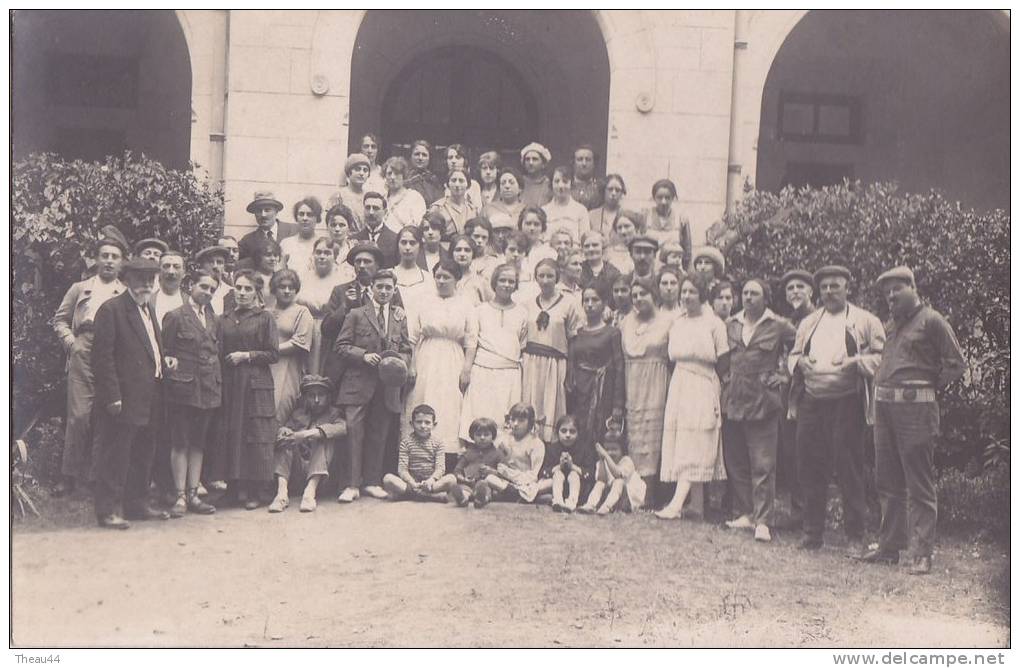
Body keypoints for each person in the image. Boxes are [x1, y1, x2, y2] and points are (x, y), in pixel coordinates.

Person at [861, 266, 965, 575]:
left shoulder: (932, 321)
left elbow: (956, 365)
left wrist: (927, 388)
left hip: (915, 411)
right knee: (887, 481)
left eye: (897, 289)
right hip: (885, 409)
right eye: (887, 292)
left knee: (918, 482)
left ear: (913, 288)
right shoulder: (892, 325)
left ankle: (922, 554)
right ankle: (890, 547)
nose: (891, 296)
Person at [789, 265, 885, 556]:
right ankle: (812, 532)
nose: (830, 292)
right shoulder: (809, 322)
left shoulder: (865, 321)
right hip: (812, 401)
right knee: (809, 466)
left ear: (847, 288)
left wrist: (856, 362)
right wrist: (800, 364)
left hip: (847, 401)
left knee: (849, 468)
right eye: (825, 287)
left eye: (836, 286)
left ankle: (855, 536)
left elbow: (882, 357)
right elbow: (793, 355)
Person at [90, 258, 169, 528]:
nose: (146, 283)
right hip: (123, 397)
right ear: (126, 280)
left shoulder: (148, 309)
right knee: (116, 453)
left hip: (151, 393)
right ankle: (108, 510)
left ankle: (136, 505)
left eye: (151, 278)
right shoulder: (112, 310)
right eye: (140, 278)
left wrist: (163, 365)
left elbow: (150, 350)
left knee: (143, 452)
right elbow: (102, 359)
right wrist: (112, 396)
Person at [721, 278, 797, 542]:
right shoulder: (731, 324)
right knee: (736, 460)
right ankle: (746, 513)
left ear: (765, 297)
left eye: (754, 294)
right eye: (745, 293)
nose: (748, 298)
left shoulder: (777, 325)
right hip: (734, 399)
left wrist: (785, 374)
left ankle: (763, 520)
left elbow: (801, 345)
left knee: (763, 463)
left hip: (763, 401)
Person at [51, 236, 126, 496]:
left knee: (105, 416)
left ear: (121, 263)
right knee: (79, 416)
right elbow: (59, 320)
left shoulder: (124, 292)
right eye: (104, 255)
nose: (108, 261)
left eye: (114, 257)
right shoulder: (80, 288)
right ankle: (69, 475)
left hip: (111, 355)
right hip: (83, 350)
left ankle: (96, 477)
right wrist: (72, 343)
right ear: (95, 259)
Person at [334, 269, 412, 503]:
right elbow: (341, 346)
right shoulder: (356, 314)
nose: (384, 291)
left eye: (389, 287)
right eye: (380, 287)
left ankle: (371, 481)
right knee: (353, 433)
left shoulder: (399, 316)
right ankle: (351, 484)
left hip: (386, 385)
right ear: (371, 289)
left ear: (394, 290)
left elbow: (407, 349)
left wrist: (399, 363)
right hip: (358, 382)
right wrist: (363, 356)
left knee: (379, 434)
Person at [656, 274, 729, 520]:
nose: (686, 296)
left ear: (702, 295)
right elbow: (670, 357)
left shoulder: (714, 324)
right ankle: (696, 505)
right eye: (684, 292)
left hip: (702, 384)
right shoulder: (677, 322)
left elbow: (724, 362)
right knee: (683, 439)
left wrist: (714, 390)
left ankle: (676, 504)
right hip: (680, 382)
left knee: (696, 439)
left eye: (692, 292)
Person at [404, 258, 479, 468]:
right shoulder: (423, 301)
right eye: (438, 276)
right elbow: (412, 336)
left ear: (457, 279)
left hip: (453, 357)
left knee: (449, 405)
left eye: (447, 277)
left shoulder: (466, 304)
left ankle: (446, 461)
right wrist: (411, 364)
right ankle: (419, 458)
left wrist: (467, 368)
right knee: (424, 398)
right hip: (427, 355)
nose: (441, 280)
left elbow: (471, 340)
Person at [161, 269, 222, 517]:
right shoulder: (175, 316)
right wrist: (169, 361)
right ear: (190, 286)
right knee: (180, 443)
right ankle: (179, 497)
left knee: (198, 443)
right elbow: (164, 352)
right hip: (182, 390)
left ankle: (194, 493)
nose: (207, 293)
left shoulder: (213, 318)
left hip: (207, 390)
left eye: (212, 290)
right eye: (203, 287)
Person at [217, 270, 279, 509]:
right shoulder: (225, 318)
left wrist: (247, 355)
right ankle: (233, 489)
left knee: (255, 433)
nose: (242, 293)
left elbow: (273, 354)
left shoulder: (264, 318)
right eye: (238, 288)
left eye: (247, 289)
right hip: (231, 383)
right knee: (232, 432)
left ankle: (255, 490)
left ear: (256, 293)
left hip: (255, 383)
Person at [457, 264, 529, 443]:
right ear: (494, 283)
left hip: (509, 374)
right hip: (483, 371)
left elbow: (521, 345)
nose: (506, 285)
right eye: (502, 280)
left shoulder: (522, 312)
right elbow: (471, 343)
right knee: (480, 416)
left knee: (505, 422)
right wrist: (466, 370)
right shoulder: (480, 310)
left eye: (511, 281)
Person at [319, 242, 404, 381]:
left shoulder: (389, 291)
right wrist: (345, 307)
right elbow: (326, 330)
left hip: (380, 368)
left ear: (377, 265)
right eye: (358, 262)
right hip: (347, 368)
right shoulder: (341, 291)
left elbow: (398, 326)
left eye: (367, 261)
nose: (362, 266)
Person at [619, 277, 672, 497]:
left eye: (643, 294)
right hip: (632, 381)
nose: (639, 299)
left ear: (655, 295)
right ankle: (636, 492)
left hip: (657, 381)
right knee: (635, 434)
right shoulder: (626, 321)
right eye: (635, 295)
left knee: (655, 434)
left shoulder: (668, 321)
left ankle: (654, 492)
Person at [521, 258, 582, 441]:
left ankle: (551, 448)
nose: (545, 280)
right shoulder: (528, 304)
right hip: (532, 362)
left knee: (552, 406)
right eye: (541, 276)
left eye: (550, 276)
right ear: (536, 278)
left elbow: (574, 339)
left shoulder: (569, 303)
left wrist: (571, 368)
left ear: (557, 278)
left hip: (556, 364)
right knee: (531, 404)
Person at [269, 375, 346, 513]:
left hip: (323, 479)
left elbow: (342, 428)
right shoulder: (298, 414)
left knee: (322, 438)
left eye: (321, 395)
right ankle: (281, 494)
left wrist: (305, 434)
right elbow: (286, 430)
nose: (316, 400)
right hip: (297, 475)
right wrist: (284, 431)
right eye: (311, 396)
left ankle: (309, 494)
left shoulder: (335, 414)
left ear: (328, 397)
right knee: (287, 442)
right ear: (305, 398)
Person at [776, 268, 814, 527]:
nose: (795, 292)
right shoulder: (789, 321)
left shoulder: (816, 319)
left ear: (811, 291)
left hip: (811, 395)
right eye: (790, 288)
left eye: (800, 286)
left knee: (809, 453)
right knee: (791, 453)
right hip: (789, 395)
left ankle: (811, 513)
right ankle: (799, 512)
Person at [566, 287, 625, 449]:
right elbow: (571, 364)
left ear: (604, 303)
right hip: (580, 392)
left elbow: (619, 370)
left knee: (599, 432)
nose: (590, 305)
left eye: (595, 300)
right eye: (586, 300)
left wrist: (617, 405)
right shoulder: (576, 334)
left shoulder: (612, 333)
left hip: (603, 391)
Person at [382, 404, 458, 502]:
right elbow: (402, 469)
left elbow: (440, 468)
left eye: (427, 422)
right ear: (412, 424)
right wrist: (412, 483)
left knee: (451, 479)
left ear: (434, 425)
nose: (423, 426)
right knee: (387, 479)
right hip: (411, 483)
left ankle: (411, 496)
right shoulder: (406, 443)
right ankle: (429, 497)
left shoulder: (438, 443)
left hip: (431, 483)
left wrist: (431, 481)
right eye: (419, 422)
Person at [296, 237, 348, 374]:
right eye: (318, 252)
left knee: (326, 368)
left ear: (335, 255)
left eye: (327, 253)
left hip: (330, 330)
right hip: (306, 328)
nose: (322, 256)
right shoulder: (304, 277)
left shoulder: (342, 278)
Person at [268, 269, 314, 423]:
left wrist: (269, 351)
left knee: (279, 409)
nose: (287, 291)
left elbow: (300, 343)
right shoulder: (266, 312)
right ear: (274, 289)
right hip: (265, 366)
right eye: (282, 287)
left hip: (287, 367)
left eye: (291, 287)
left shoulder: (302, 312)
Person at [579, 423, 646, 514]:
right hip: (613, 495)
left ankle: (606, 507)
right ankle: (590, 505)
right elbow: (601, 479)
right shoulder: (603, 461)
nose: (610, 452)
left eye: (614, 449)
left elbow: (618, 475)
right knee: (600, 483)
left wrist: (606, 456)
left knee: (618, 481)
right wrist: (602, 459)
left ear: (622, 450)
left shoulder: (627, 461)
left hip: (628, 497)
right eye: (607, 449)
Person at [485, 403, 546, 502]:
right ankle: (517, 494)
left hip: (527, 482)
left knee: (548, 483)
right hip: (505, 480)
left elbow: (534, 475)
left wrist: (507, 473)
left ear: (530, 423)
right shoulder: (503, 438)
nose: (516, 424)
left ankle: (515, 494)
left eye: (521, 421)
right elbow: (497, 462)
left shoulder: (536, 443)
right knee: (490, 479)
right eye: (513, 420)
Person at [537, 413, 594, 512]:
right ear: (557, 432)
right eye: (563, 431)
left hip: (579, 490)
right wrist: (558, 467)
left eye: (572, 432)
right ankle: (558, 502)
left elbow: (591, 474)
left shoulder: (584, 450)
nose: (567, 435)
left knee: (573, 474)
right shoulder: (552, 449)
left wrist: (573, 467)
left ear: (578, 433)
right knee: (558, 474)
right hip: (556, 488)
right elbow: (542, 472)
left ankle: (571, 503)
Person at [448, 417, 504, 508]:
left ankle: (481, 499)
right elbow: (457, 470)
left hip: (486, 484)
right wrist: (463, 479)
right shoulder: (468, 452)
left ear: (493, 436)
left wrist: (491, 471)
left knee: (485, 487)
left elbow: (503, 474)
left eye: (486, 435)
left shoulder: (497, 454)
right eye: (478, 434)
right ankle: (462, 499)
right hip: (468, 484)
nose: (482, 438)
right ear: (472, 436)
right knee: (464, 489)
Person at [392, 225, 437, 328]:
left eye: (412, 243)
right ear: (398, 245)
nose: (408, 247)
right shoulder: (388, 276)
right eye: (403, 242)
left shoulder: (428, 279)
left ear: (420, 246)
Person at [238, 191, 298, 264]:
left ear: (276, 211)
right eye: (259, 211)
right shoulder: (247, 241)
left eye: (267, 210)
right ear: (254, 214)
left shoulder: (294, 231)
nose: (263, 215)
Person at [642, 179, 692, 262]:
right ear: (654, 197)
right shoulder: (645, 216)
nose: (663, 202)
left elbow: (687, 250)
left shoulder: (681, 218)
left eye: (667, 197)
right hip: (649, 266)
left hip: (673, 267)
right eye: (659, 197)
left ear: (673, 198)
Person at [542, 165, 590, 242]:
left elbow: (585, 240)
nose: (561, 186)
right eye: (556, 181)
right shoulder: (544, 211)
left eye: (565, 181)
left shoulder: (581, 210)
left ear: (571, 184)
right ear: (551, 184)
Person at [430, 167, 479, 239]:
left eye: (461, 181)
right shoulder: (437, 208)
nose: (457, 184)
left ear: (468, 185)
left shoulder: (473, 210)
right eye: (453, 180)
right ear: (447, 185)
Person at [353, 191, 399, 268]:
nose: (371, 212)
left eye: (375, 208)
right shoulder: (353, 240)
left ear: (385, 212)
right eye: (368, 208)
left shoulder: (396, 240)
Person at [381, 156, 427, 233]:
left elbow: (418, 224)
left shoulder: (414, 197)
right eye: (389, 173)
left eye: (397, 173)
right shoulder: (382, 199)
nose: (392, 177)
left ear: (403, 176)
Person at [517, 205, 558, 292]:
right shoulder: (513, 250)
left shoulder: (549, 253)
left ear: (542, 228)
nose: (532, 228)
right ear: (521, 225)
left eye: (536, 224)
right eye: (528, 224)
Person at [281, 196, 323, 273]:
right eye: (301, 214)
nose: (304, 218)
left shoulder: (323, 244)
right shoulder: (286, 243)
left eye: (309, 214)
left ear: (317, 218)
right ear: (296, 217)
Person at [578, 231, 621, 305]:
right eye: (587, 246)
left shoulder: (613, 272)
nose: (591, 249)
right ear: (582, 249)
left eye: (595, 245)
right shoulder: (578, 269)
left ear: (602, 248)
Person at [448, 234, 490, 306]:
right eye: (458, 250)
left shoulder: (480, 281)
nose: (462, 254)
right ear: (452, 253)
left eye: (467, 250)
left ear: (473, 254)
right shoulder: (444, 278)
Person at [335, 153, 373, 229]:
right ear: (349, 173)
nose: (361, 173)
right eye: (358, 169)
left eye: (365, 170)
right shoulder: (339, 195)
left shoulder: (370, 197)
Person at [483, 167, 525, 233]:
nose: (507, 186)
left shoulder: (526, 209)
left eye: (511, 183)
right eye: (503, 183)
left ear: (520, 188)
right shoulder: (488, 209)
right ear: (499, 189)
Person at [197, 245, 234, 315]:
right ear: (202, 265)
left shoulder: (231, 292)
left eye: (219, 262)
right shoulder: (195, 292)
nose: (215, 266)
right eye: (210, 262)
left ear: (224, 267)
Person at [405, 139, 443, 206]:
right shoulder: (404, 178)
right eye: (417, 154)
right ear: (410, 156)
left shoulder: (434, 180)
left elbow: (439, 202)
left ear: (429, 158)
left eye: (424, 155)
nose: (420, 158)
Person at [464, 216, 502, 285]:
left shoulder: (494, 262)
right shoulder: (461, 259)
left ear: (488, 239)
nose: (480, 240)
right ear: (468, 236)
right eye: (476, 236)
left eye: (484, 237)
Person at [323, 204, 358, 278]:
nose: (337, 229)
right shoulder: (319, 251)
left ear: (349, 227)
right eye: (333, 225)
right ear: (327, 227)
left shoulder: (356, 252)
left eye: (342, 225)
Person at [152, 251, 186, 325]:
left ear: (184, 273)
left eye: (176, 267)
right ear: (159, 271)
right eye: (166, 266)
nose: (171, 272)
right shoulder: (148, 301)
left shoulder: (190, 302)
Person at [588, 174, 626, 239]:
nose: (614, 193)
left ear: (622, 193)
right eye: (610, 189)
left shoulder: (626, 214)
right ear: (604, 190)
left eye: (617, 190)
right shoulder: (591, 215)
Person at [605, 211, 639, 276]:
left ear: (636, 228)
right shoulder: (609, 253)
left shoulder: (644, 251)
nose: (623, 231)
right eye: (619, 228)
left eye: (627, 226)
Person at [571, 144, 604, 211]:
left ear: (594, 163)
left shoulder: (601, 188)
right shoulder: (566, 186)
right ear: (573, 163)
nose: (584, 163)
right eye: (580, 159)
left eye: (588, 159)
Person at [519, 142, 553, 207]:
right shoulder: (519, 183)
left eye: (535, 159)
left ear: (543, 164)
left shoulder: (549, 185)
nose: (530, 163)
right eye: (527, 159)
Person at [253, 240, 283, 310]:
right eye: (268, 255)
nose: (273, 259)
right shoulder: (253, 278)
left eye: (275, 255)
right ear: (259, 257)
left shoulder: (280, 278)